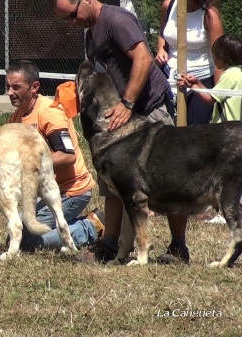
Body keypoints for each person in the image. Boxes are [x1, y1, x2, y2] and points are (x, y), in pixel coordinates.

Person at [53, 0, 189, 264]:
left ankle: (178, 247)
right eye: (66, 20)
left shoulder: (116, 20)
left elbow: (143, 58)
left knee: (172, 177)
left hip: (149, 107)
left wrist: (127, 103)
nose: (72, 23)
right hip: (118, 115)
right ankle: (109, 245)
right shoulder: (91, 30)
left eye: (72, 15)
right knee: (111, 179)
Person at [5, 60, 105, 251]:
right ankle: (77, 223)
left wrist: (29, 164)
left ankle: (90, 227)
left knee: (25, 243)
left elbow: (67, 157)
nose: (10, 93)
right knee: (14, 232)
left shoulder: (49, 113)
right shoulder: (16, 118)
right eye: (8, 87)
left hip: (72, 191)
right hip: (47, 191)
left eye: (16, 87)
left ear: (34, 87)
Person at [156, 0, 224, 125]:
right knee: (165, 128)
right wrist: (161, 49)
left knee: (195, 132)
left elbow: (219, 60)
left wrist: (216, 95)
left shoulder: (210, 15)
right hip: (170, 77)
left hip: (200, 80)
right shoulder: (169, 5)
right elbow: (162, 33)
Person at [178, 34, 242, 123]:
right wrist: (198, 83)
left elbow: (210, 99)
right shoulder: (239, 72)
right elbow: (214, 94)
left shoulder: (230, 75)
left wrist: (192, 86)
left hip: (226, 128)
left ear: (223, 57)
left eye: (215, 55)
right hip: (237, 128)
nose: (214, 59)